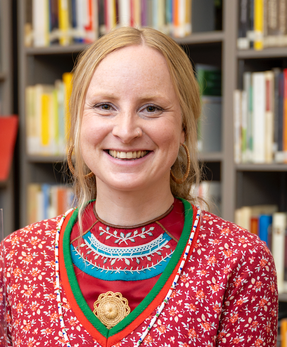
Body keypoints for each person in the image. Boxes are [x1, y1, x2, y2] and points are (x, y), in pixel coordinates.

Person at [0, 27, 278, 347]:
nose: (126, 130)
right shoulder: (17, 257)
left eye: (151, 108)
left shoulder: (240, 261)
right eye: (105, 106)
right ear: (77, 122)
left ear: (185, 127)